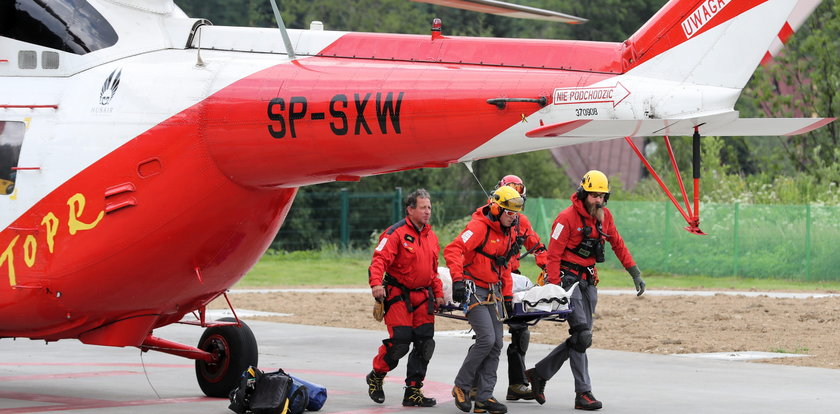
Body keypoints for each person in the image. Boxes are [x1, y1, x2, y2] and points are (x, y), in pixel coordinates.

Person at [525, 170, 645, 411]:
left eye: (602, 196)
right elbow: (553, 255)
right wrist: (556, 286)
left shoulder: (605, 216)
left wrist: (635, 272)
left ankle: (539, 373)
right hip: (568, 282)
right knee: (581, 335)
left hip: (589, 282)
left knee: (582, 339)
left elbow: (618, 243)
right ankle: (584, 394)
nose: (598, 200)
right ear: (583, 193)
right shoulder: (565, 218)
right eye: (593, 196)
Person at [444, 185, 524, 414]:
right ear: (497, 209)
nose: (513, 217)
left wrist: (507, 297)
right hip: (473, 290)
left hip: (494, 292)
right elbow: (453, 250)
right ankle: (461, 385)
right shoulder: (478, 227)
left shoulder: (508, 233)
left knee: (497, 343)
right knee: (487, 339)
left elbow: (505, 266)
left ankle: (484, 396)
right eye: (509, 212)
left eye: (515, 213)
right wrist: (457, 280)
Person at [365, 189, 445, 407]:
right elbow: (379, 260)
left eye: (429, 207)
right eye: (423, 207)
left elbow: (433, 271)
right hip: (399, 295)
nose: (428, 211)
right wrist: (375, 284)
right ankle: (377, 375)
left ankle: (413, 391)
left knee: (425, 344)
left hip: (423, 297)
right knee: (400, 343)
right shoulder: (395, 233)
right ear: (410, 209)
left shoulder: (431, 236)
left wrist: (438, 293)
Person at [492, 175, 548, 402]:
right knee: (488, 338)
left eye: (518, 190)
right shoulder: (487, 218)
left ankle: (516, 384)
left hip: (511, 280)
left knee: (520, 332)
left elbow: (538, 246)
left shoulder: (520, 222)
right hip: (490, 280)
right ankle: (474, 386)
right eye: (510, 190)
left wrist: (547, 270)